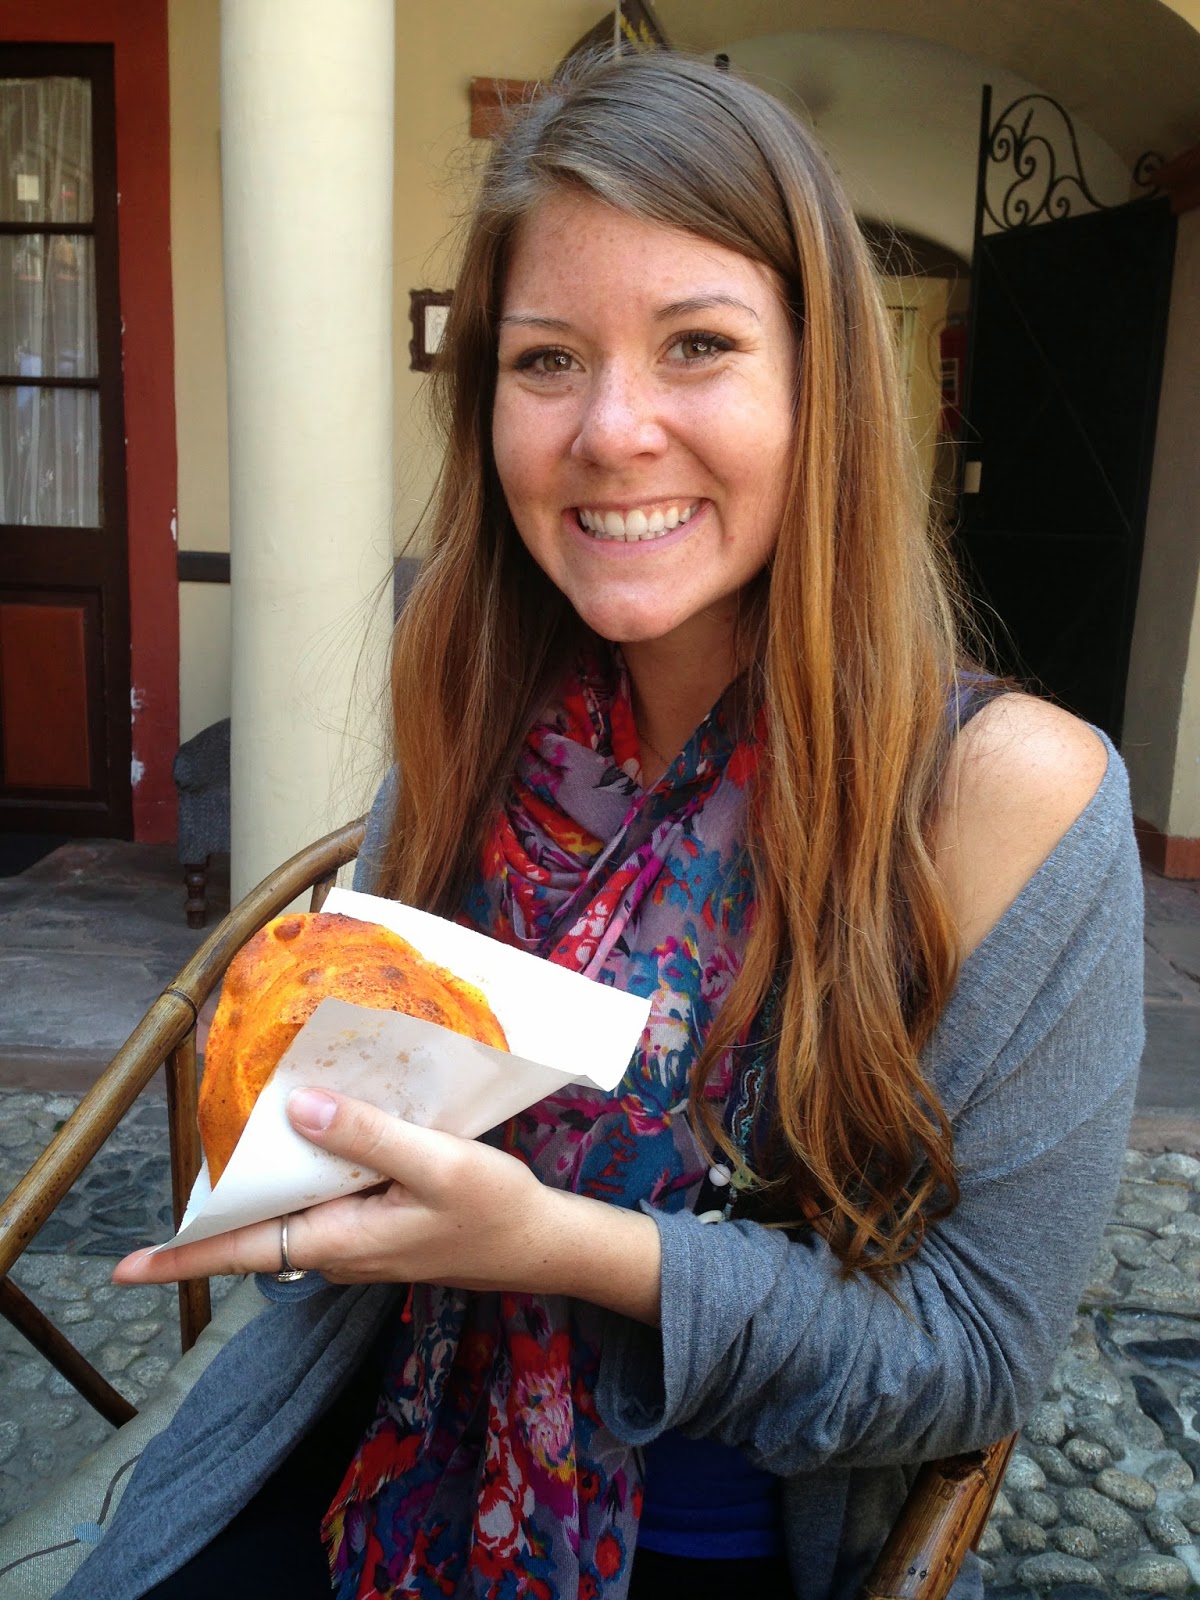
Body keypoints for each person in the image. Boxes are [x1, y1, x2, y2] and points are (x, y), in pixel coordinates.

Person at [59, 49, 1143, 1600]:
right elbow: (358, 1157)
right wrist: (300, 1137)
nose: (611, 431)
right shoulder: (469, 737)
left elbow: (967, 1358)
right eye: (549, 359)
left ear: (819, 385)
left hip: (702, 1540)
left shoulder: (1010, 801)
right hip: (381, 1440)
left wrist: (559, 1247)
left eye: (697, 344)